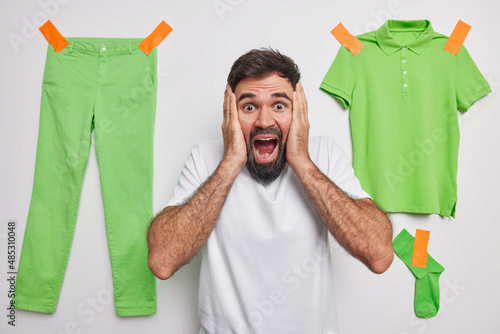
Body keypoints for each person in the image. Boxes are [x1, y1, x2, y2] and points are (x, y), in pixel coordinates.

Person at [147, 48, 394, 333]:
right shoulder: (206, 158)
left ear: (299, 110)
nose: (264, 121)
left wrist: (301, 161)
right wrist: (230, 163)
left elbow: (379, 255)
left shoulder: (323, 154)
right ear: (230, 112)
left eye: (279, 105)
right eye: (249, 107)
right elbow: (162, 261)